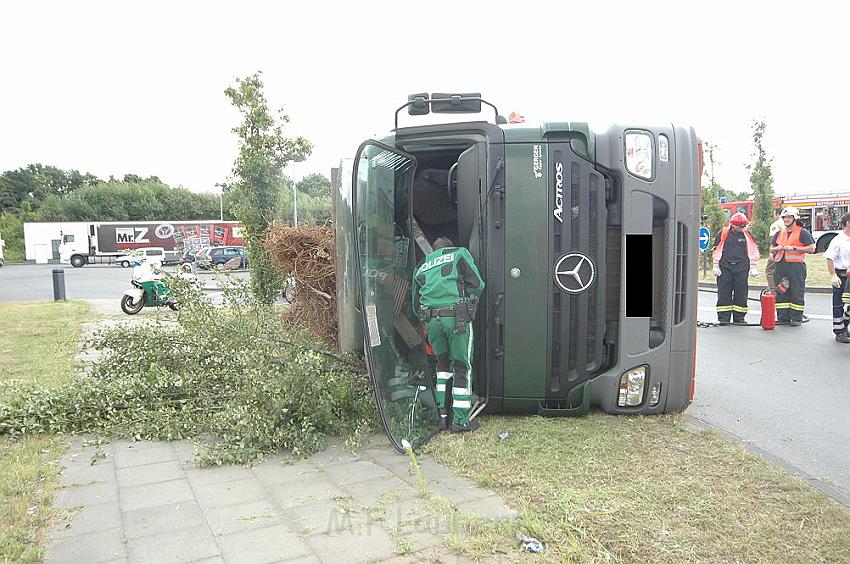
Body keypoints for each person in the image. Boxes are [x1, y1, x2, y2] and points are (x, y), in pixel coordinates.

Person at [412, 237, 484, 432]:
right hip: (456, 319)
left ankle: (442, 418)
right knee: (462, 366)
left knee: (442, 367)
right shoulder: (459, 254)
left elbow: (415, 303)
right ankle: (460, 421)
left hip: (432, 322)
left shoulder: (422, 265)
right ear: (449, 248)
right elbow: (478, 284)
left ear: (433, 250)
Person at [769, 206, 816, 326]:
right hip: (781, 265)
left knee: (796, 291)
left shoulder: (802, 232)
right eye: (784, 217)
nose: (786, 219)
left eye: (789, 217)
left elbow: (812, 248)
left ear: (795, 218)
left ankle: (796, 318)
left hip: (796, 266)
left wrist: (795, 248)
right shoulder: (779, 233)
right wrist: (776, 249)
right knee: (781, 291)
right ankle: (783, 317)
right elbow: (771, 248)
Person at [712, 212, 760, 324]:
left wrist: (753, 267)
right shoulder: (723, 233)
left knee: (741, 293)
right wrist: (715, 266)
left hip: (741, 268)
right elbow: (716, 249)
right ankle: (723, 318)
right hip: (725, 268)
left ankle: (739, 318)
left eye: (743, 226)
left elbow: (752, 250)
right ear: (733, 224)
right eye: (740, 226)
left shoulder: (747, 234)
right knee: (724, 293)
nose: (741, 228)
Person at [825, 212, 850, 342]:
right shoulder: (838, 240)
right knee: (838, 305)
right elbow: (830, 258)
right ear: (847, 223)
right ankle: (839, 332)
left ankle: (845, 324)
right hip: (842, 275)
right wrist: (833, 275)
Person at [765, 209, 784, 293]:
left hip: (777, 251)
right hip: (788, 252)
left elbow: (774, 239)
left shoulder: (776, 224)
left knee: (769, 271)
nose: (773, 216)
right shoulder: (789, 223)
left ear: (777, 214)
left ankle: (773, 292)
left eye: (774, 214)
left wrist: (772, 253)